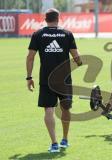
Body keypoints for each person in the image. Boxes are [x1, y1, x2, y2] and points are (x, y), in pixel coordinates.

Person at [26, 8, 82, 152]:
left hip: (46, 78)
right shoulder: (67, 34)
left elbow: (30, 57)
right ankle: (65, 139)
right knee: (66, 108)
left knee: (48, 110)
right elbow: (77, 58)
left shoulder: (38, 34)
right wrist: (78, 61)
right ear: (59, 18)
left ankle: (54, 143)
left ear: (45, 19)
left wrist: (29, 77)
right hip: (64, 79)